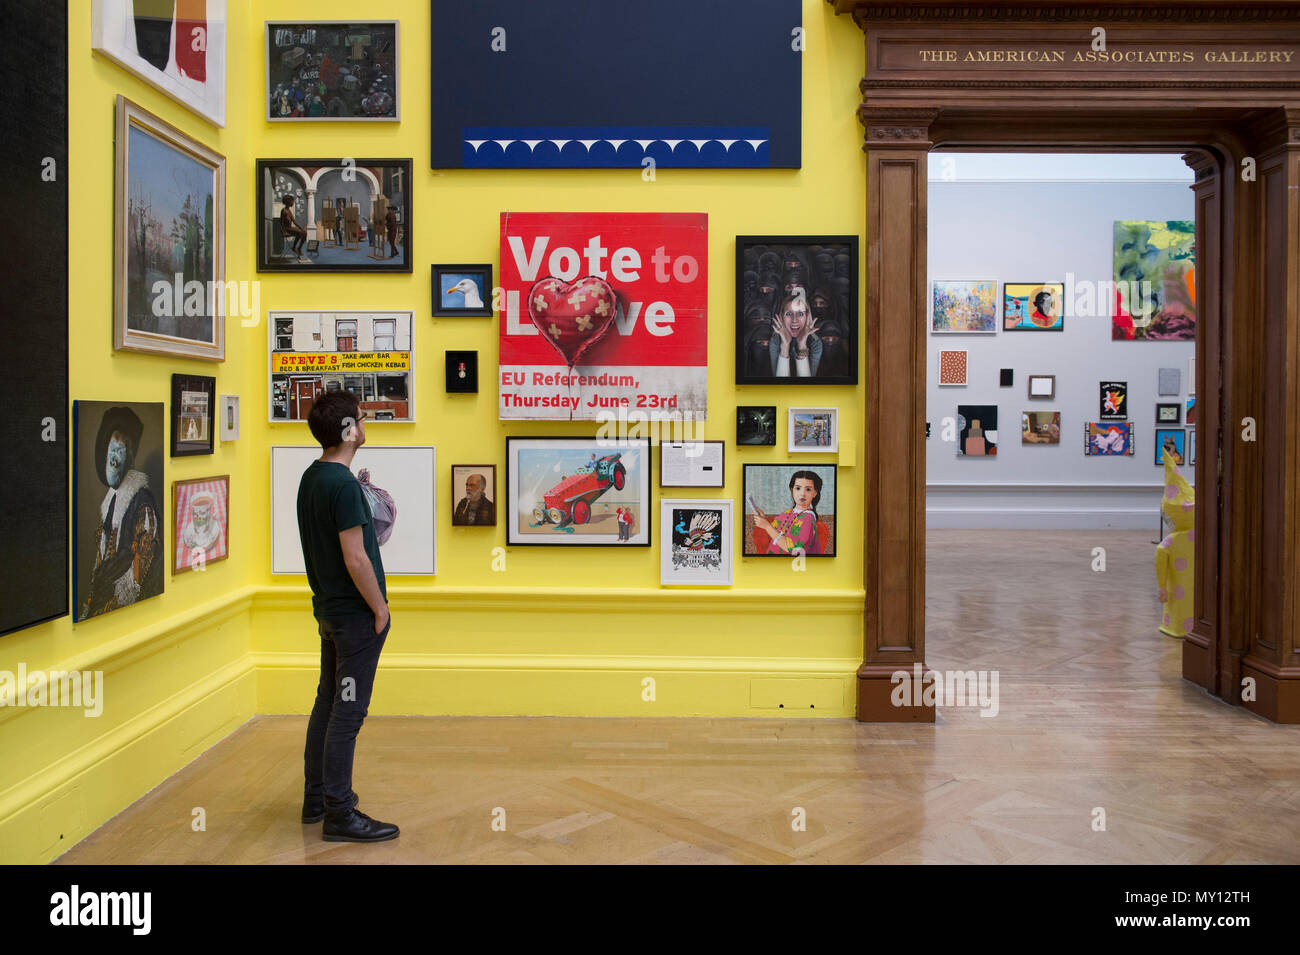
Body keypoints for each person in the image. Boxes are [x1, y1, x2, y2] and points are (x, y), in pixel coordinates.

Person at [297, 391, 399, 843]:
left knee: (327, 703)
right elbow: (356, 558)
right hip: (355, 619)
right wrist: (380, 609)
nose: (365, 422)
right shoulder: (342, 485)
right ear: (347, 431)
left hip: (328, 613)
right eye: (360, 418)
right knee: (348, 714)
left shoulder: (313, 478)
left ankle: (316, 798)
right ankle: (340, 813)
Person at [80, 406, 162, 620]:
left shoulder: (142, 503)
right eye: (112, 450)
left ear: (130, 457)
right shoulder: (111, 504)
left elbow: (140, 575)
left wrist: (108, 608)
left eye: (121, 451)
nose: (115, 459)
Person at [750, 470, 824, 556]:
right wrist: (763, 519)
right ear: (792, 490)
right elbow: (775, 528)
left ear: (814, 493)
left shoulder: (808, 518)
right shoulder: (789, 512)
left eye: (808, 489)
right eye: (798, 488)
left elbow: (794, 549)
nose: (802, 494)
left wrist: (766, 526)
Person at [768, 289, 822, 377]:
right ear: (782, 317)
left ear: (807, 317)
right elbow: (781, 385)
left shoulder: (815, 342)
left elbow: (805, 387)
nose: (794, 320)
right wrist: (785, 346)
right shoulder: (775, 340)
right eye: (789, 314)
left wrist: (802, 344)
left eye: (800, 314)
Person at [279, 195, 309, 263]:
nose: (293, 202)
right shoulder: (283, 211)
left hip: (290, 228)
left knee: (304, 232)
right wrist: (283, 232)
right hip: (287, 229)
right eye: (292, 201)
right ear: (288, 202)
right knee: (301, 233)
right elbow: (281, 223)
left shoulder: (289, 210)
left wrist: (301, 228)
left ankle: (298, 248)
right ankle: (296, 248)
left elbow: (294, 221)